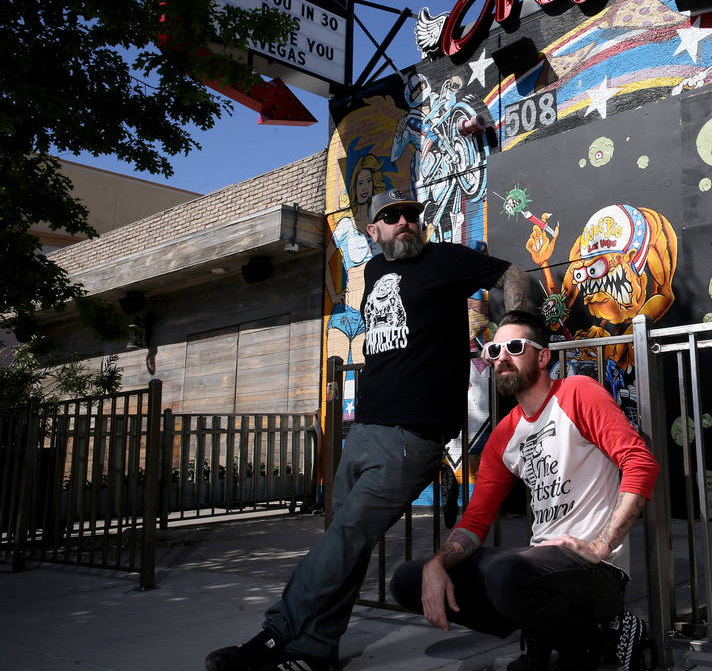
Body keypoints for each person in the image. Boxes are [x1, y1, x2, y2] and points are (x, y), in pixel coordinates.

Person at [206, 189, 530, 671]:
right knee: (347, 544)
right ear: (371, 231)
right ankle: (316, 650)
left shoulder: (444, 260)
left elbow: (513, 274)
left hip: (410, 438)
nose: (404, 221)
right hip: (363, 432)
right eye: (390, 216)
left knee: (343, 539)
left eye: (410, 215)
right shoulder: (375, 271)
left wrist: (515, 326)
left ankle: (276, 635)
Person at [390, 309, 659, 671]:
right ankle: (545, 633)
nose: (502, 356)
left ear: (543, 357)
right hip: (539, 565)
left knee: (506, 574)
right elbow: (476, 519)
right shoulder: (505, 435)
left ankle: (607, 634)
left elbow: (640, 463)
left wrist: (601, 546)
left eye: (514, 347)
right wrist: (438, 563)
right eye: (494, 350)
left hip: (597, 570)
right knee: (410, 579)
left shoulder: (577, 394)